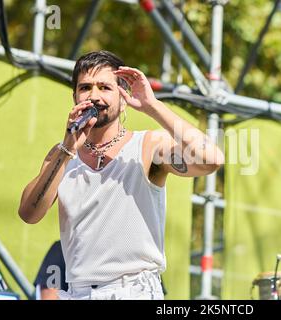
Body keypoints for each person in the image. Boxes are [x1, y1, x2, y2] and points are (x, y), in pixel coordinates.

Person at [18, 50, 224, 300]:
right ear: (75, 97)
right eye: (85, 88)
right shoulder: (62, 154)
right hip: (77, 292)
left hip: (134, 290)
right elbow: (29, 214)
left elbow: (212, 159)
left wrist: (153, 106)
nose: (94, 96)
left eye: (104, 87)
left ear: (123, 98)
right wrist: (67, 148)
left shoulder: (148, 146)